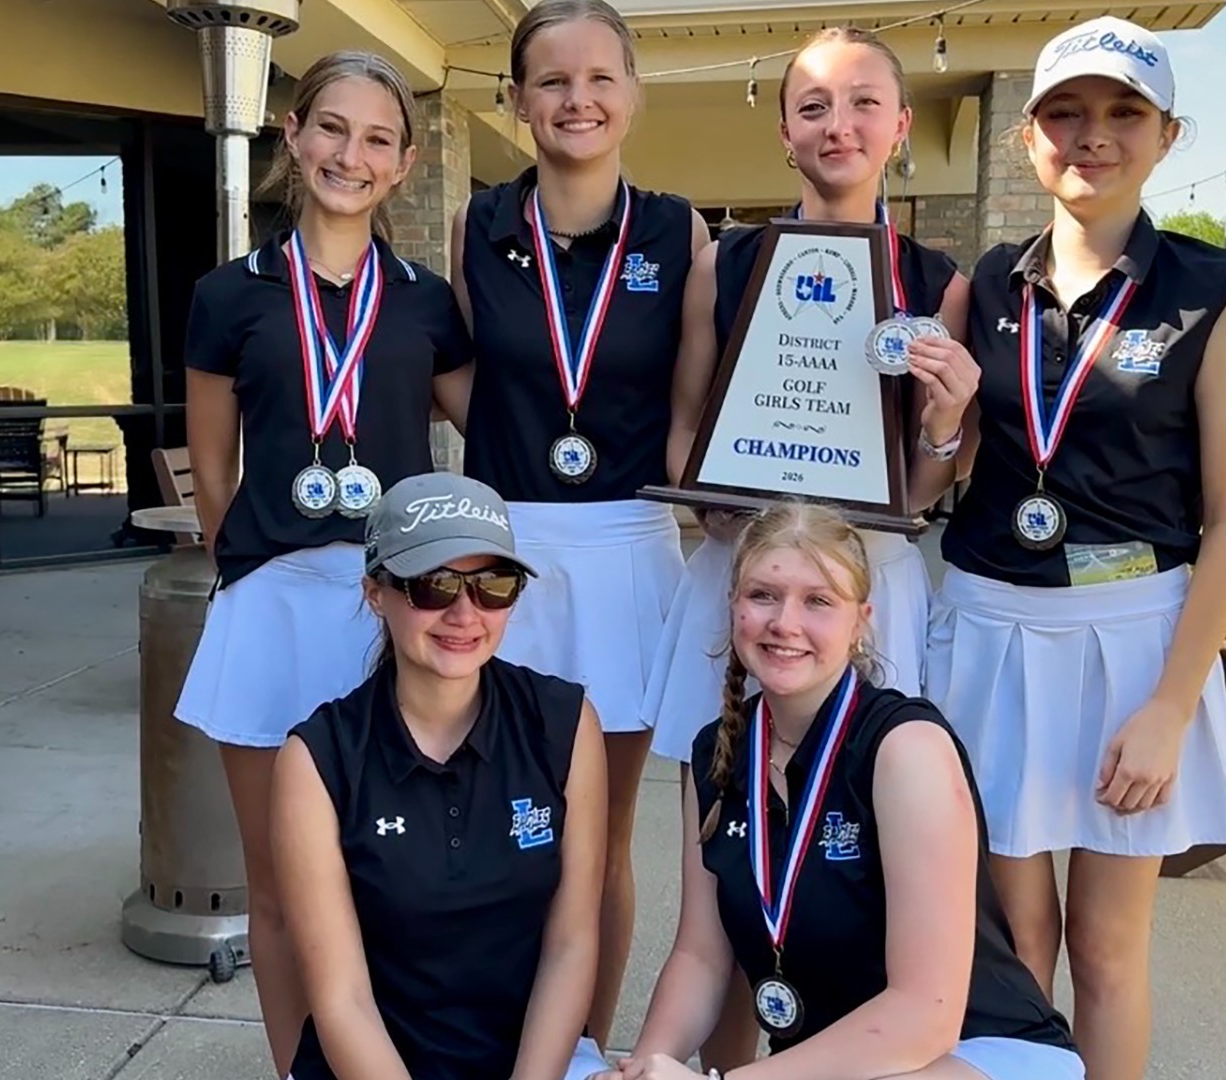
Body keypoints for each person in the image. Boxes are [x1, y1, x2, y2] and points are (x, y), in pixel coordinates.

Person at [920, 17, 1226, 1080]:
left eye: (1123, 114)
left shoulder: (1211, 287)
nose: (1093, 136)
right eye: (1066, 112)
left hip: (1133, 645)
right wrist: (939, 423)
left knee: (1108, 951)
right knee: (1014, 952)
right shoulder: (987, 281)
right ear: (1029, 137)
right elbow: (940, 478)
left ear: (1166, 135)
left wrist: (1169, 707)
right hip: (990, 628)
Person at [639, 25, 978, 1069]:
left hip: (861, 584)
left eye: (864, 102)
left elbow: (926, 483)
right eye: (816, 105)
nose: (841, 124)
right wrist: (715, 505)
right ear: (786, 130)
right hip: (746, 578)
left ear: (900, 126)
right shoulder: (724, 260)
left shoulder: (936, 279)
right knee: (736, 861)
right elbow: (687, 428)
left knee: (853, 832)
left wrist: (946, 424)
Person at [175, 51, 474, 1076]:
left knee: (387, 872)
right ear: (294, 137)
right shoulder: (230, 294)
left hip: (392, 609)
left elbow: (490, 428)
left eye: (378, 138)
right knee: (277, 884)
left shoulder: (428, 302)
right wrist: (256, 563)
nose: (353, 154)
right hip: (273, 608)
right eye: (333, 129)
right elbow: (212, 472)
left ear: (404, 163)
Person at [439, 0, 711, 1048]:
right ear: (516, 101)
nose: (577, 99)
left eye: (601, 77)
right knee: (496, 828)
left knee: (596, 844)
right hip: (503, 550)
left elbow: (688, 418)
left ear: (634, 94)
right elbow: (463, 374)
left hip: (628, 555)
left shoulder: (678, 229)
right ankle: (481, 1040)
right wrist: (516, 453)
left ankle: (581, 1056)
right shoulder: (479, 225)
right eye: (552, 80)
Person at [598, 501, 1082, 1080]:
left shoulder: (906, 749)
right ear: (733, 608)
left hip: (972, 1050)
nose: (786, 623)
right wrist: (648, 1062)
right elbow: (700, 956)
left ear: (861, 621)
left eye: (819, 601)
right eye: (763, 595)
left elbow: (924, 1014)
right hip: (835, 1061)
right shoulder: (718, 752)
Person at [274, 471, 610, 1080]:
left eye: (493, 585)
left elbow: (571, 944)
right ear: (376, 592)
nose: (464, 612)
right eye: (433, 585)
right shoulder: (318, 758)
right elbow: (340, 997)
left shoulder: (564, 723)